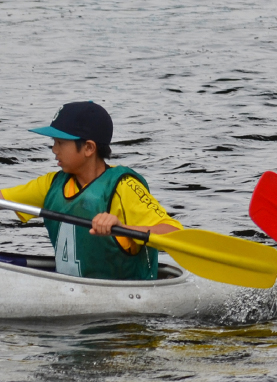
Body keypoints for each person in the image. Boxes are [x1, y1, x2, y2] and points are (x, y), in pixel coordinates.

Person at [0, 101, 182, 280]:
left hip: (126, 296)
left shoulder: (123, 187)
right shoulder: (52, 184)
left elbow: (174, 233)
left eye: (60, 142)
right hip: (69, 288)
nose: (54, 149)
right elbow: (3, 198)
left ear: (89, 148)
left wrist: (122, 229)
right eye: (53, 141)